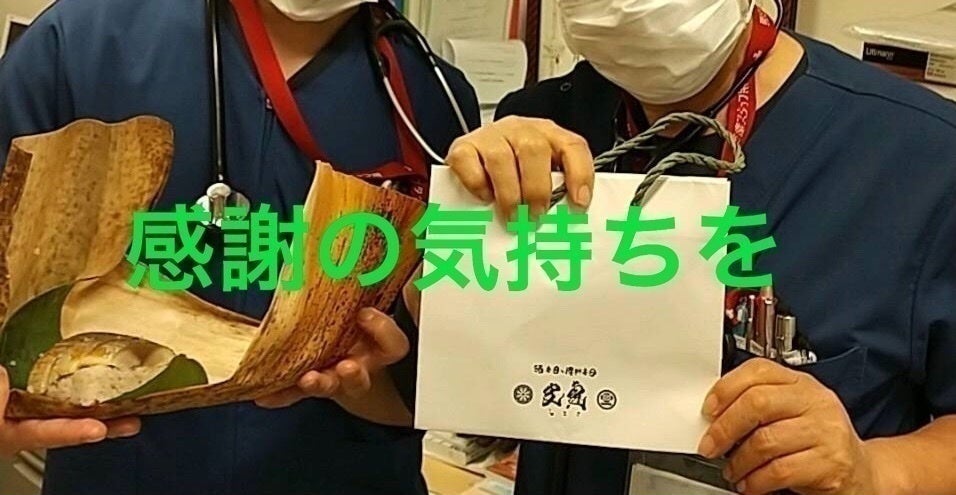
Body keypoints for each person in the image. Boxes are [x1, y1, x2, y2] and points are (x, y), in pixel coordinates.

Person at [441, 0, 956, 494]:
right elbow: (437, 381)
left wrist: (876, 471)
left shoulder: (922, 158)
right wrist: (462, 222)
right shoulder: (540, 126)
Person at [0, 0, 478, 493]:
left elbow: (445, 377)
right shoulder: (84, 44)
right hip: (122, 471)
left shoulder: (436, 97)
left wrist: (373, 382)